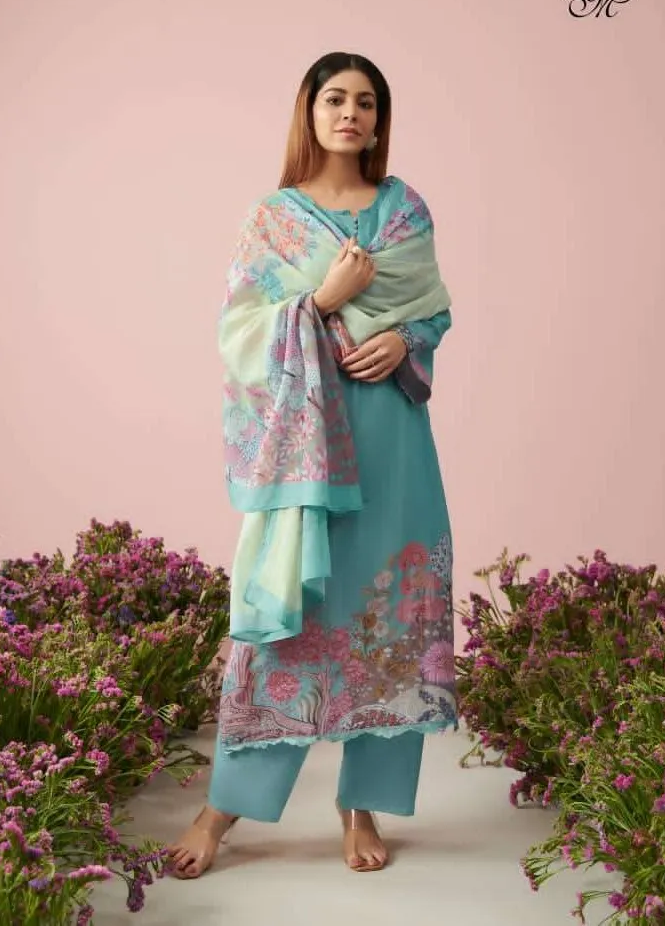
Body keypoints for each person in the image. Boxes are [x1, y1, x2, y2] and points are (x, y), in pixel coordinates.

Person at [168, 51, 457, 879]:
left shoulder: (403, 209)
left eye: (366, 102)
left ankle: (360, 803)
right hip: (308, 450)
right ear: (310, 109)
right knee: (291, 608)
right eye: (335, 98)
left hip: (392, 434)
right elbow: (238, 333)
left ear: (378, 119)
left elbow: (433, 309)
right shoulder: (274, 219)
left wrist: (404, 338)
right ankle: (222, 806)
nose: (350, 113)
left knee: (386, 616)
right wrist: (323, 301)